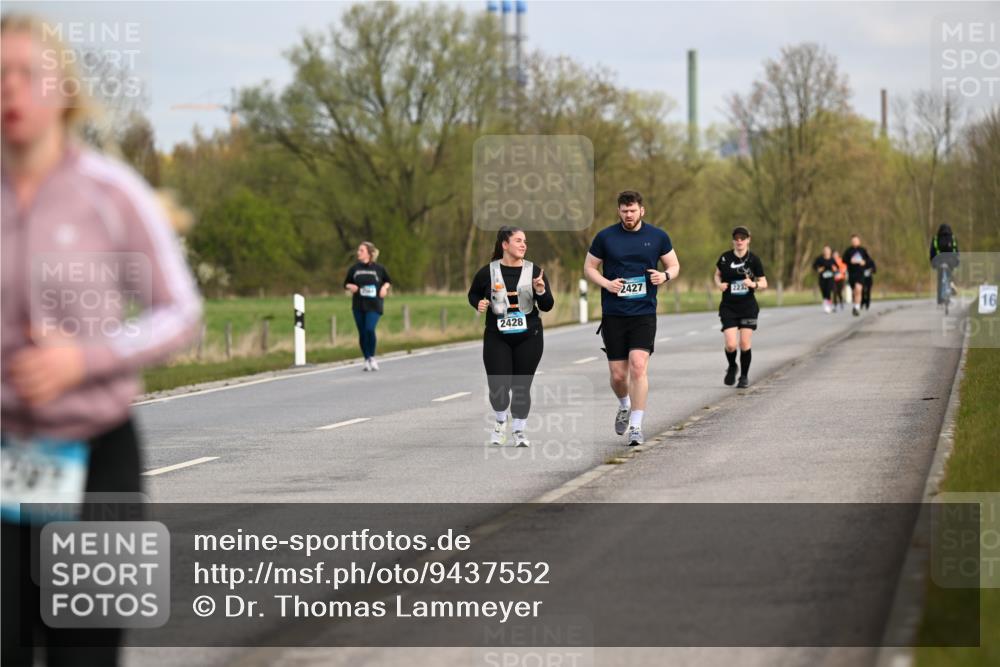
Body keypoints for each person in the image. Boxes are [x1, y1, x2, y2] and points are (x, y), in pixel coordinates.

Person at [1, 13, 202, 665]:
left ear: (62, 92)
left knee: (83, 652)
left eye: (26, 74)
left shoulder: (110, 192)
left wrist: (82, 359)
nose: (10, 89)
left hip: (95, 459)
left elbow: (180, 312)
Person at [584, 191, 680, 446]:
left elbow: (674, 265)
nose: (628, 215)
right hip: (614, 314)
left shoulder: (658, 236)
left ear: (642, 211)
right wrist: (607, 283)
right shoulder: (605, 237)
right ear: (619, 211)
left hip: (644, 313)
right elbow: (589, 268)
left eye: (633, 210)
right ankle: (624, 404)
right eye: (624, 211)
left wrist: (665, 276)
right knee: (618, 376)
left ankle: (636, 427)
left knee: (638, 365)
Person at [468, 227, 553, 447]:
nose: (523, 245)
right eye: (518, 241)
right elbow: (473, 293)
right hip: (497, 335)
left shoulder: (535, 271)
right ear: (505, 245)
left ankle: (519, 430)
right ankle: (499, 420)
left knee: (521, 386)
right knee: (498, 385)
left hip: (529, 335)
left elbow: (548, 305)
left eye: (525, 241)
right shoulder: (487, 272)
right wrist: (479, 302)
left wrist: (541, 291)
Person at [714, 226, 767, 388]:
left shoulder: (754, 260)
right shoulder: (725, 258)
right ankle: (732, 366)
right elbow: (717, 274)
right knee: (731, 344)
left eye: (742, 238)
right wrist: (719, 284)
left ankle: (743, 377)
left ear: (748, 240)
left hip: (748, 306)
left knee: (744, 343)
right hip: (729, 306)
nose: (739, 241)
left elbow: (764, 283)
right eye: (736, 238)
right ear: (733, 241)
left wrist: (753, 284)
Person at [343, 242, 391, 371]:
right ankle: (366, 359)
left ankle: (372, 357)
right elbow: (346, 283)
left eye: (361, 250)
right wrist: (350, 286)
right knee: (362, 332)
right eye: (358, 250)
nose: (358, 252)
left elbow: (387, 281)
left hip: (374, 304)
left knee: (370, 329)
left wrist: (384, 288)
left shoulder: (379, 269)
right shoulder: (354, 269)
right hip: (358, 304)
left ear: (369, 253)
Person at [842, 235, 873, 316]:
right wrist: (850, 261)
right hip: (852, 274)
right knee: (854, 291)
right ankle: (856, 304)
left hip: (860, 273)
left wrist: (864, 262)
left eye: (856, 240)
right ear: (851, 242)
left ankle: (857, 307)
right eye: (853, 241)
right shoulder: (848, 251)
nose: (855, 242)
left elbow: (869, 260)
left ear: (859, 241)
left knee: (858, 289)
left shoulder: (863, 250)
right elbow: (843, 260)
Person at [930, 223, 960, 304]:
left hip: (939, 262)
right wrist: (957, 261)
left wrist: (932, 263)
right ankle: (951, 285)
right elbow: (956, 251)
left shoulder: (936, 239)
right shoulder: (953, 238)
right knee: (950, 276)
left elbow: (932, 252)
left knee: (940, 281)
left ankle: (940, 300)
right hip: (950, 262)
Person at [812, 246, 837, 313]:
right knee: (824, 292)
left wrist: (835, 269)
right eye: (825, 250)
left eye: (828, 250)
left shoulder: (832, 259)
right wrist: (818, 269)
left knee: (829, 291)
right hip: (822, 278)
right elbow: (814, 266)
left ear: (830, 251)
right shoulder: (820, 259)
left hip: (830, 278)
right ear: (823, 251)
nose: (826, 252)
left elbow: (836, 267)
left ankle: (828, 306)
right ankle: (826, 304)